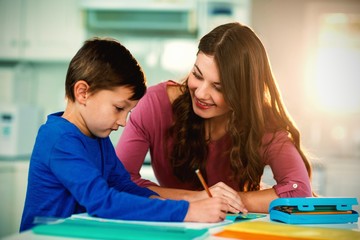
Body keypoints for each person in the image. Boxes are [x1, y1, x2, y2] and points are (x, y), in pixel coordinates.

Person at [20, 38, 233, 232]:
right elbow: (102, 201)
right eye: (118, 108)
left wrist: (186, 206)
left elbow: (125, 187)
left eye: (128, 112)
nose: (123, 122)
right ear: (83, 93)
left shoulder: (98, 138)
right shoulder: (59, 139)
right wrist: (187, 212)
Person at [115, 22, 314, 213]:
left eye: (218, 87)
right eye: (197, 75)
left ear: (243, 93)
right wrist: (199, 199)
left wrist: (232, 200)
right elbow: (119, 181)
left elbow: (299, 191)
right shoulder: (154, 105)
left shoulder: (263, 122)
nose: (201, 93)